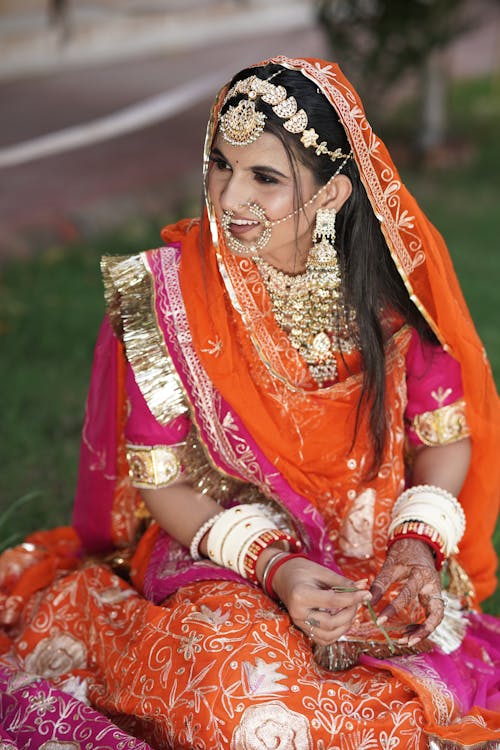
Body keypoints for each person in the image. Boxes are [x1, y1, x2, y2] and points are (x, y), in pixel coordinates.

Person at [0, 55, 499, 749]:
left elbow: (443, 436)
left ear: (330, 196)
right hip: (219, 548)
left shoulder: (392, 297)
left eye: (265, 177)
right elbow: (162, 483)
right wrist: (277, 567)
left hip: (369, 554)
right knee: (250, 711)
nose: (231, 197)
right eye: (221, 166)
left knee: (412, 684)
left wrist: (416, 550)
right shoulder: (169, 297)